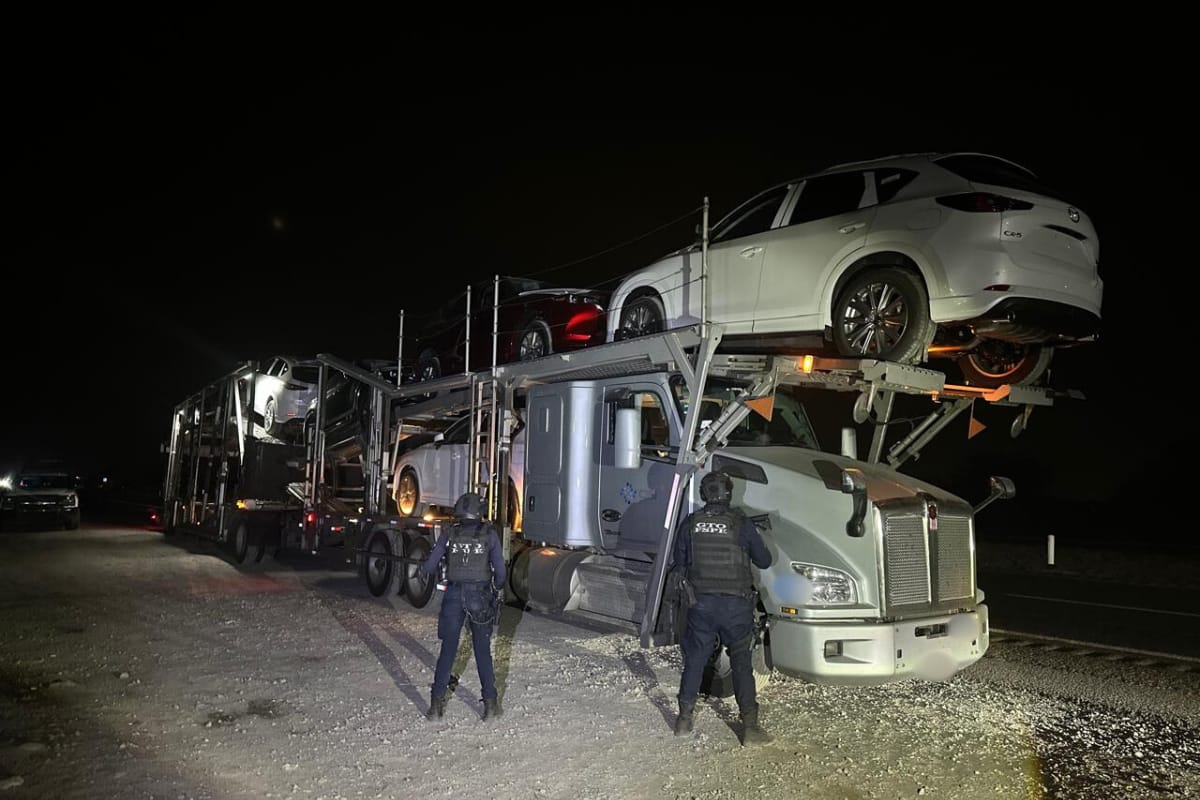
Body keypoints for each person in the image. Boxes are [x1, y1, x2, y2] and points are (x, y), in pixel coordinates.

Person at [672, 471, 773, 744]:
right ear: (728, 494)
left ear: (705, 495)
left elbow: (679, 562)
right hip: (735, 607)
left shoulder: (691, 523)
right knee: (741, 663)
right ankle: (750, 728)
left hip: (701, 605)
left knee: (695, 659)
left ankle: (683, 720)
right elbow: (764, 561)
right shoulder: (740, 523)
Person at [420, 491, 506, 721]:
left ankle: (435, 707)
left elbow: (428, 567)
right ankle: (490, 706)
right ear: (480, 512)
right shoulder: (489, 534)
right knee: (482, 650)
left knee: (448, 650)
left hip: (454, 596)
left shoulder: (449, 533)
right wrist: (496, 588)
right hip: (480, 596)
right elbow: (500, 572)